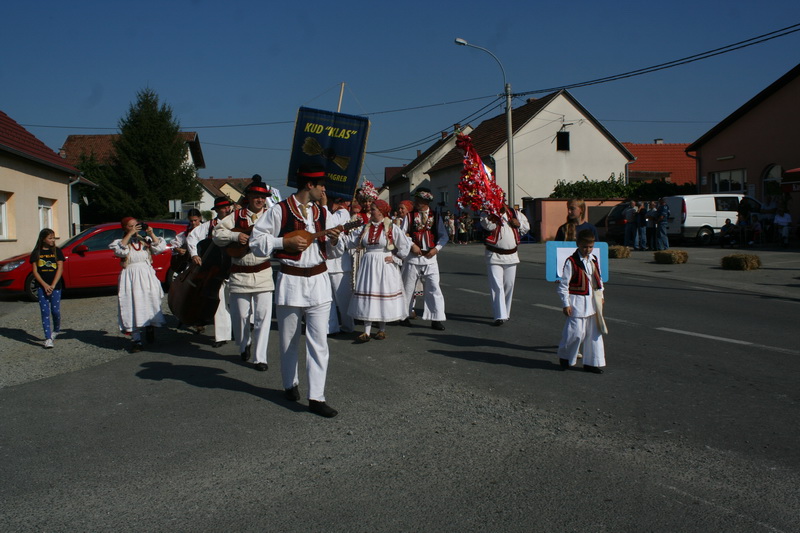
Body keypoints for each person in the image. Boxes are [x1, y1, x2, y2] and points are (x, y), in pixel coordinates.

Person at [249, 164, 343, 418]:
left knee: (319, 342)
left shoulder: (322, 212)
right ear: (310, 185)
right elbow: (256, 242)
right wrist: (283, 241)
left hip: (319, 281)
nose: (324, 190)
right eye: (322, 185)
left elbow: (335, 251)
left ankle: (317, 397)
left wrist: (335, 240)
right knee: (288, 339)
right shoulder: (279, 210)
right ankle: (290, 384)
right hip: (291, 281)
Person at [212, 176, 274, 371]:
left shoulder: (271, 216)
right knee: (240, 316)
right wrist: (235, 235)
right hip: (239, 273)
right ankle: (244, 343)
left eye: (262, 197)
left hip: (263, 272)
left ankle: (260, 357)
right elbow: (216, 235)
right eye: (256, 196)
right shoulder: (236, 216)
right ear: (249, 197)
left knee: (263, 317)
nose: (260, 200)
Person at [344, 199, 411, 342]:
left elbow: (405, 245)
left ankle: (382, 329)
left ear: (381, 211)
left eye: (373, 209)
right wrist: (339, 235)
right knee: (369, 295)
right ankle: (366, 331)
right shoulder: (365, 227)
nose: (370, 211)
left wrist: (396, 258)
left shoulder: (391, 227)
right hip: (368, 263)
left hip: (384, 263)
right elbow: (350, 241)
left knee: (382, 293)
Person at [111, 217, 168, 353]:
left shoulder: (145, 240)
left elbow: (159, 249)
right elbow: (119, 251)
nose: (134, 228)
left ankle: (150, 325)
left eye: (136, 225)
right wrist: (130, 234)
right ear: (125, 228)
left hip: (147, 274)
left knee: (151, 302)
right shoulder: (121, 242)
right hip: (130, 276)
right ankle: (136, 340)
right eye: (131, 226)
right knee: (132, 306)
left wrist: (151, 233)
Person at [186, 196, 234, 347]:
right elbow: (192, 237)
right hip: (217, 267)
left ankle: (239, 330)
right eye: (223, 207)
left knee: (237, 300)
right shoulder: (209, 225)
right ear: (217, 210)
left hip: (235, 265)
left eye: (228, 207)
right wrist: (194, 254)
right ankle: (222, 336)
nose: (227, 209)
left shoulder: (237, 221)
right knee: (219, 301)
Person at [556, 229, 606, 374]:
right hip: (577, 302)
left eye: (590, 247)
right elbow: (563, 285)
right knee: (575, 332)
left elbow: (599, 279)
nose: (587, 250)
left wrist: (601, 295)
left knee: (594, 335)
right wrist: (566, 304)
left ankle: (592, 362)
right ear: (578, 244)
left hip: (593, 302)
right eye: (584, 246)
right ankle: (565, 357)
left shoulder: (593, 259)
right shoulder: (571, 262)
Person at [400, 187, 448, 331]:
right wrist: (412, 245)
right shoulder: (409, 216)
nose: (416, 202)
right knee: (408, 287)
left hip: (430, 258)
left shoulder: (436, 216)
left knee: (434, 287)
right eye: (416, 200)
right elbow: (401, 234)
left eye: (419, 200)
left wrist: (436, 249)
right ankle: (404, 315)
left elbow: (443, 236)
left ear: (426, 202)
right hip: (413, 257)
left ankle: (436, 318)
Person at [480, 204, 530, 326]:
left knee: (509, 285)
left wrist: (518, 224)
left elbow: (526, 227)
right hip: (494, 255)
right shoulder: (486, 213)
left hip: (511, 256)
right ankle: (499, 315)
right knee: (497, 287)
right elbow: (489, 226)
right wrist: (497, 214)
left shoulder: (514, 212)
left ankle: (505, 313)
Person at [324, 193, 356, 335]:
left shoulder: (343, 212)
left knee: (343, 299)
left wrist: (324, 206)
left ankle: (348, 326)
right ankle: (331, 327)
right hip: (326, 262)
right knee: (328, 300)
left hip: (340, 264)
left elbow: (329, 225)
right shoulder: (327, 212)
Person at [30, 228, 64, 349]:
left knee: (55, 311)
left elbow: (60, 268)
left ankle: (56, 329)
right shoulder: (36, 253)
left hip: (56, 287)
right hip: (41, 287)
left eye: (53, 238)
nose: (52, 240)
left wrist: (53, 285)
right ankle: (48, 338)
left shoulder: (57, 251)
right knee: (45, 312)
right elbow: (35, 271)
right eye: (50, 238)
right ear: (43, 239)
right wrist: (44, 285)